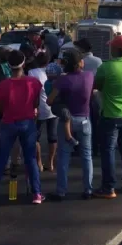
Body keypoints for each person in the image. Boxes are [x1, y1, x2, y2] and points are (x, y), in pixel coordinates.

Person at [0, 50, 45, 205]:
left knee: (2, 158)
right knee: (30, 158)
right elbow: (36, 103)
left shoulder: (3, 85)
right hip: (27, 122)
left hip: (8, 122)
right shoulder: (33, 82)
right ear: (23, 63)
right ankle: (37, 193)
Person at [94, 35, 122, 199]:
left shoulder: (106, 67)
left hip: (110, 114)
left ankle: (108, 187)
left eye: (112, 47)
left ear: (117, 50)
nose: (110, 49)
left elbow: (97, 85)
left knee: (108, 151)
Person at [47, 49, 95, 201]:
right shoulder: (89, 76)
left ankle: (61, 191)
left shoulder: (63, 80)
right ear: (80, 62)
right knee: (87, 156)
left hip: (67, 121)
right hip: (85, 120)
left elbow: (49, 100)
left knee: (63, 157)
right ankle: (88, 189)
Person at [28, 52, 57, 172]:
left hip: (39, 107)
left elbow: (31, 91)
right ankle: (50, 162)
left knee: (35, 137)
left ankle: (39, 162)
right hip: (53, 107)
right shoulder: (54, 71)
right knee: (52, 136)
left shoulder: (32, 72)